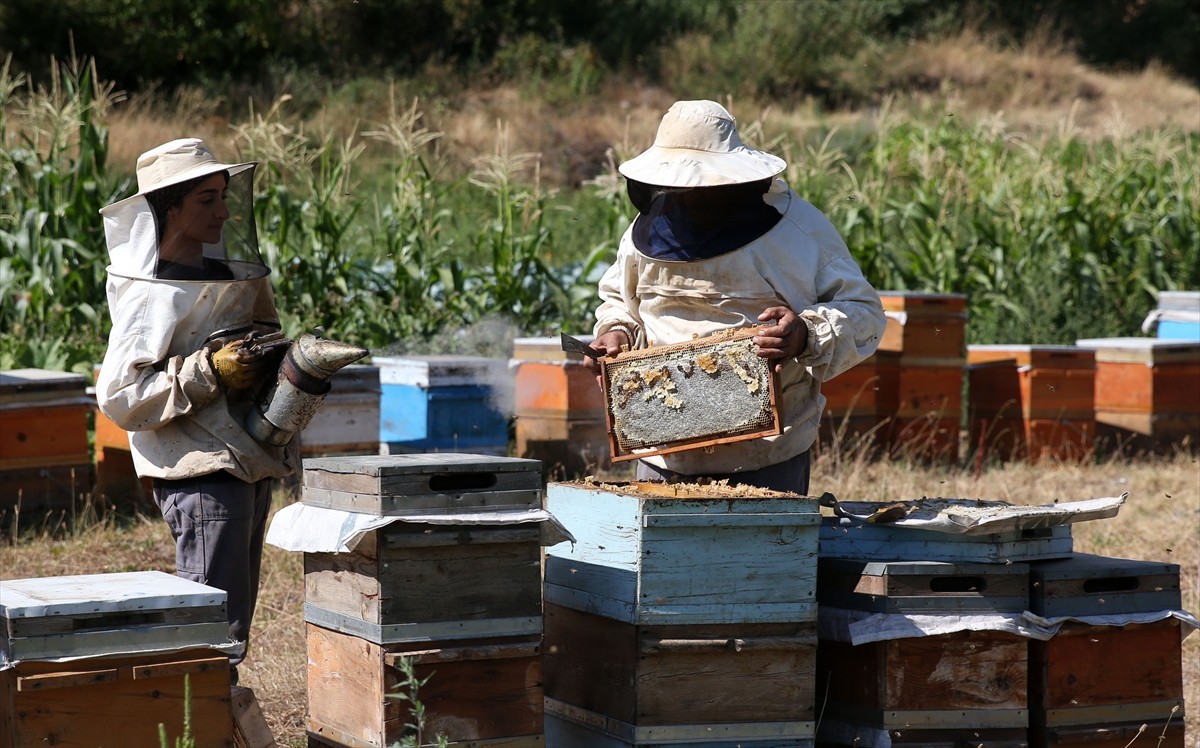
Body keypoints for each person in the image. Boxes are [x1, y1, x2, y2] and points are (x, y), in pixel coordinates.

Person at [587, 100, 886, 494]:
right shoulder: (644, 233)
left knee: (757, 555)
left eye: (701, 186)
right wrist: (616, 333)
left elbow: (863, 313)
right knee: (665, 555)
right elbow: (620, 301)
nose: (690, 197)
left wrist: (804, 335)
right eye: (680, 187)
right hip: (660, 447)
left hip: (766, 453)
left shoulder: (799, 231)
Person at [96, 138, 296, 684]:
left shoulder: (231, 272)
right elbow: (119, 396)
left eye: (224, 197)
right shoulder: (148, 292)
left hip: (247, 458)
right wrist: (208, 372)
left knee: (230, 623)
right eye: (206, 199)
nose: (224, 211)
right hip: (199, 467)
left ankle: (214, 713)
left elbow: (264, 342)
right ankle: (199, 721)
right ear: (170, 208)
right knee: (211, 630)